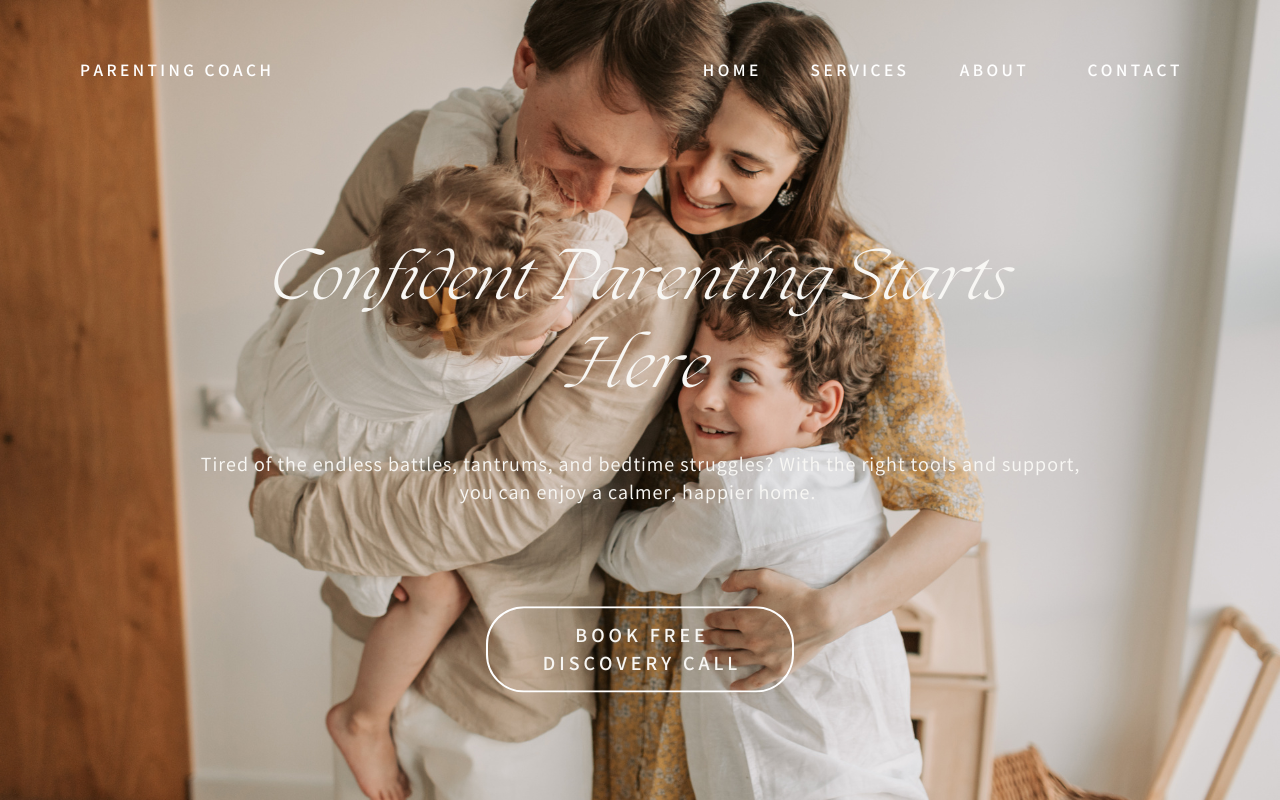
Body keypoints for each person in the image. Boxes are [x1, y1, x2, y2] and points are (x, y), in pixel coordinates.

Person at [247, 1, 728, 798]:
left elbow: (511, 498)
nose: (592, 195)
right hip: (367, 619)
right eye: (573, 146)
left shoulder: (652, 274)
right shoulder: (411, 154)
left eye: (636, 174)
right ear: (526, 62)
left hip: (507, 683)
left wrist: (292, 511)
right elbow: (304, 321)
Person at [594, 5, 983, 798]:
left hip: (777, 665)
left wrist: (825, 615)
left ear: (800, 166)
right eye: (692, 143)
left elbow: (956, 511)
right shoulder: (626, 243)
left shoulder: (875, 292)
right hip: (640, 645)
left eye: (743, 162)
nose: (700, 181)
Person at [238, 163, 632, 800]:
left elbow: (458, 153)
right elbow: (579, 286)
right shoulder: (447, 367)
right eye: (538, 332)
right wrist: (615, 212)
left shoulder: (391, 262)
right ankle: (362, 717)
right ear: (469, 340)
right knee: (434, 595)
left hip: (288, 393)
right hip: (321, 453)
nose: (561, 321)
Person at [598, 238, 928, 800]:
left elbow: (634, 554)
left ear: (818, 406)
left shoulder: (736, 498)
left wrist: (598, 499)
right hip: (882, 774)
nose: (704, 398)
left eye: (742, 376)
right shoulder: (850, 480)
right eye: (697, 368)